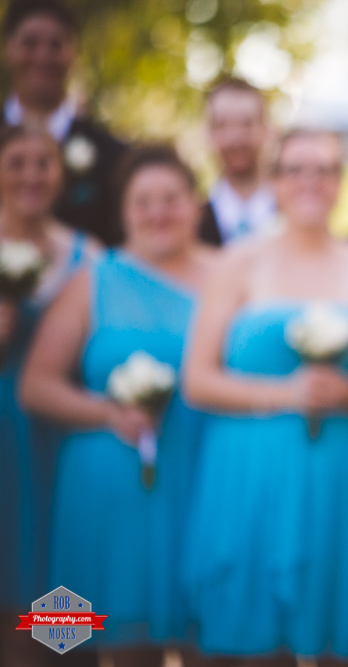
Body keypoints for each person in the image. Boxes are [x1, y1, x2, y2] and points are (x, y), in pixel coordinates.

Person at [182, 128, 348, 666]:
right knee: (250, 638)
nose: (311, 181)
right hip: (250, 470)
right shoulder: (236, 263)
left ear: (341, 183)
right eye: (296, 169)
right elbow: (198, 381)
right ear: (275, 180)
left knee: (337, 633)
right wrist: (286, 392)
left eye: (325, 169)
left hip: (340, 473)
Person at [19, 145, 214, 667]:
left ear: (195, 205)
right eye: (142, 201)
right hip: (106, 491)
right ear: (123, 210)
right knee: (112, 646)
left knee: (204, 640)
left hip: (200, 479)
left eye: (171, 198)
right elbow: (36, 385)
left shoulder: (229, 277)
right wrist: (107, 413)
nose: (158, 212)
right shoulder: (94, 278)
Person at [0, 126, 99, 667]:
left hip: (59, 445)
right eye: (17, 162)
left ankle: (59, 655)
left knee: (60, 606)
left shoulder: (89, 256)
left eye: (44, 163)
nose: (31, 175)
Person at [1, 0, 128, 247]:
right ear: (9, 49)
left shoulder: (113, 155)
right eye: (30, 42)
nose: (42, 55)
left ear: (73, 53)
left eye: (55, 44)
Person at [198, 77, 277, 246]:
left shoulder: (294, 218)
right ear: (209, 133)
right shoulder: (192, 224)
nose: (235, 137)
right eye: (222, 125)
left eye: (246, 124)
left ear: (267, 130)